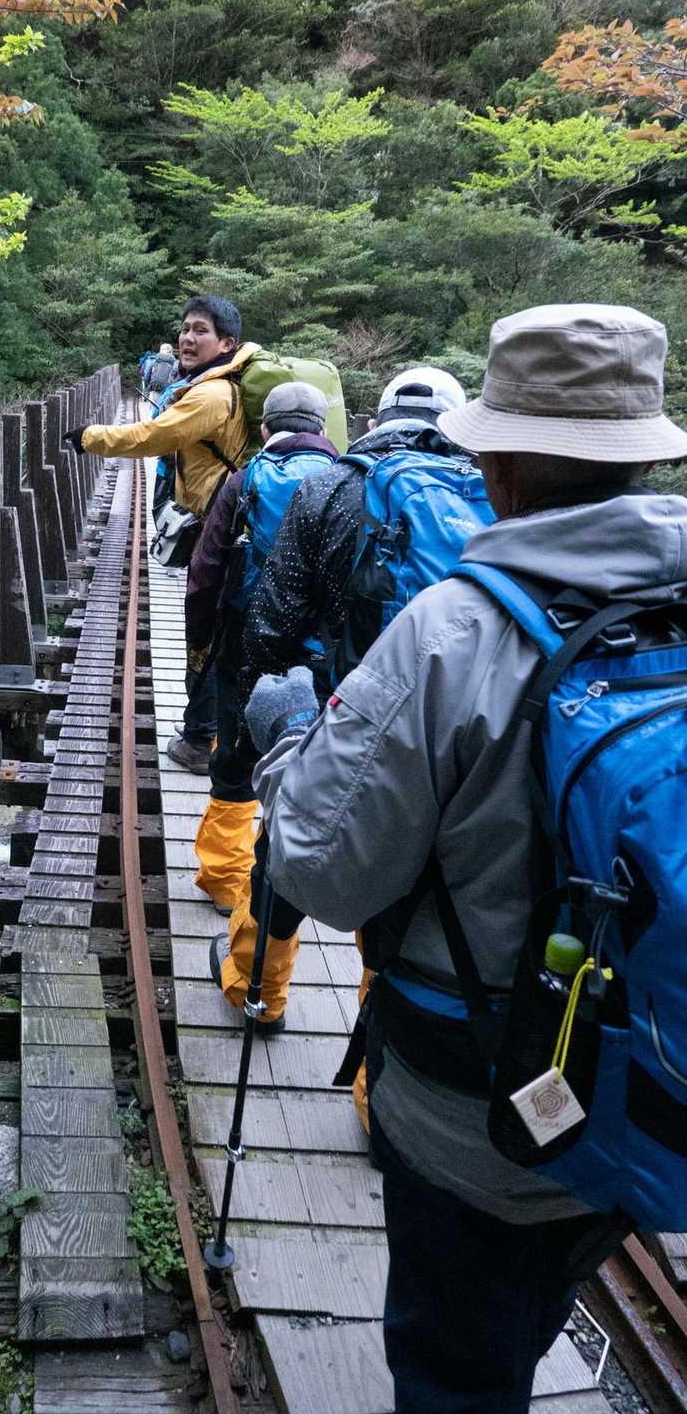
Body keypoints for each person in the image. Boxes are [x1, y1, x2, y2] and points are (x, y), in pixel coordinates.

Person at [244, 303, 687, 1414]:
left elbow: (324, 873)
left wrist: (287, 739)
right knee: (539, 1289)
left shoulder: (456, 631)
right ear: (646, 451)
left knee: (458, 1368)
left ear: (498, 462)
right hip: (659, 1074)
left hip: (477, 1110)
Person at [210, 369, 468, 1070]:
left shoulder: (329, 488)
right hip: (449, 730)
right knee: (413, 893)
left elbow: (272, 623)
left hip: (335, 710)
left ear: (374, 421)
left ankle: (258, 991)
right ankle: (377, 1076)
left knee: (282, 854)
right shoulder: (489, 496)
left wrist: (267, 711)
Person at [65, 295, 261, 774]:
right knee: (221, 631)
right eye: (186, 328)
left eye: (201, 331)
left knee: (208, 636)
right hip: (228, 526)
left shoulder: (212, 395)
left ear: (227, 343)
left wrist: (89, 437)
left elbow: (151, 436)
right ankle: (211, 731)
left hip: (222, 532)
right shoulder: (215, 385)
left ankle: (199, 740)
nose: (187, 338)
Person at [185, 382, 338, 945]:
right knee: (314, 756)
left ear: (266, 428)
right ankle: (292, 873)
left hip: (248, 639)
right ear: (322, 429)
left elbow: (206, 568)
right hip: (323, 651)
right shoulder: (351, 479)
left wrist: (200, 642)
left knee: (236, 751)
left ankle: (224, 877)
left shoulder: (245, 478)